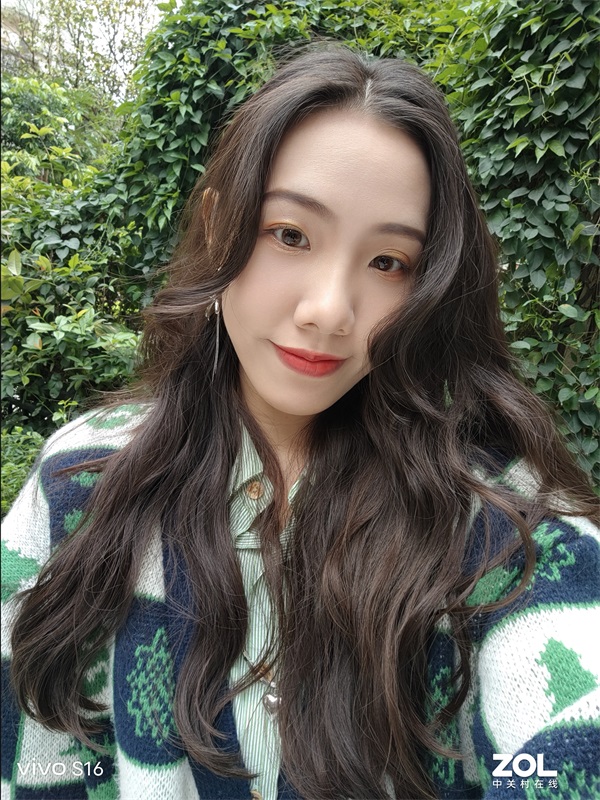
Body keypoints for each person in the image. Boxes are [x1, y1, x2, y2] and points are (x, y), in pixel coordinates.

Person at [2, 44, 599, 800]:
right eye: (290, 234)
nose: (329, 311)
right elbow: (38, 761)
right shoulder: (82, 484)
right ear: (218, 227)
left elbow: (569, 722)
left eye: (389, 263)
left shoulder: (499, 523)